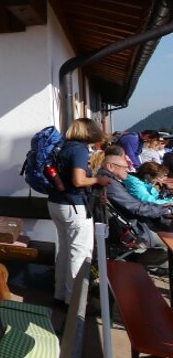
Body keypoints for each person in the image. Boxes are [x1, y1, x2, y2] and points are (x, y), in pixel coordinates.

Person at [48, 117, 111, 305]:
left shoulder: (63, 147)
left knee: (65, 251)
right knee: (79, 252)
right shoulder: (79, 150)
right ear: (89, 132)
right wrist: (98, 181)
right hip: (74, 206)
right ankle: (74, 302)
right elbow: (78, 180)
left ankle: (60, 295)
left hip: (56, 203)